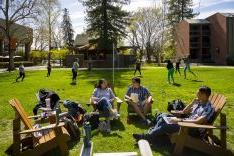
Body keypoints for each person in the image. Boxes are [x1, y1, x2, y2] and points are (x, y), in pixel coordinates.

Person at [133, 86, 214, 142]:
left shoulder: (208, 108)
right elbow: (184, 111)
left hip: (191, 129)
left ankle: (147, 137)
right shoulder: (199, 102)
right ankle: (153, 134)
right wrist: (192, 103)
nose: (196, 94)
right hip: (186, 122)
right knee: (162, 116)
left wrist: (179, 120)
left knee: (165, 125)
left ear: (204, 95)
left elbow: (198, 122)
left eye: (198, 93)